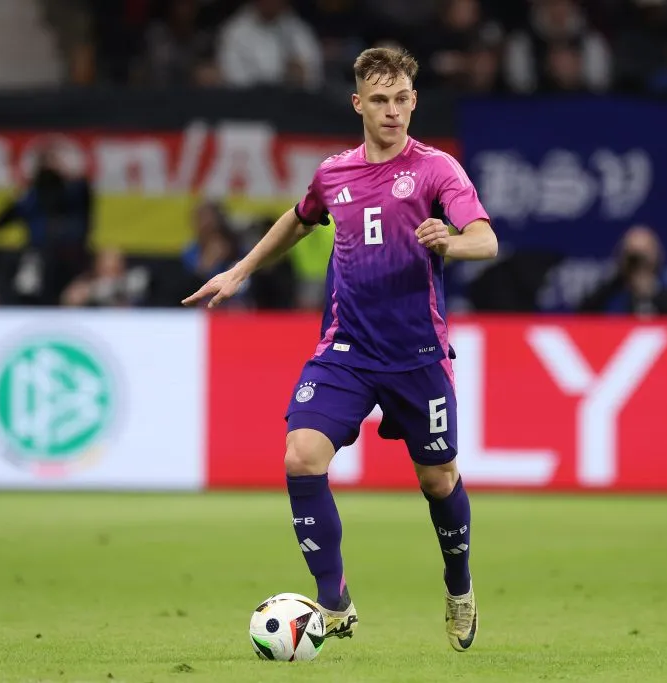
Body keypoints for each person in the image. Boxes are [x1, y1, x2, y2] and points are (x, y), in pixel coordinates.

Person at [182, 47, 498, 651]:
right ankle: (334, 601)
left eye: (403, 98)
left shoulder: (437, 171)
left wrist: (450, 243)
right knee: (301, 455)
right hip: (346, 350)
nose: (393, 111)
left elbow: (485, 239)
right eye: (379, 100)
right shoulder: (334, 174)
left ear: (414, 100)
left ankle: (458, 585)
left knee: (438, 480)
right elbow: (301, 218)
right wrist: (239, 271)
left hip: (417, 356)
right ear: (358, 104)